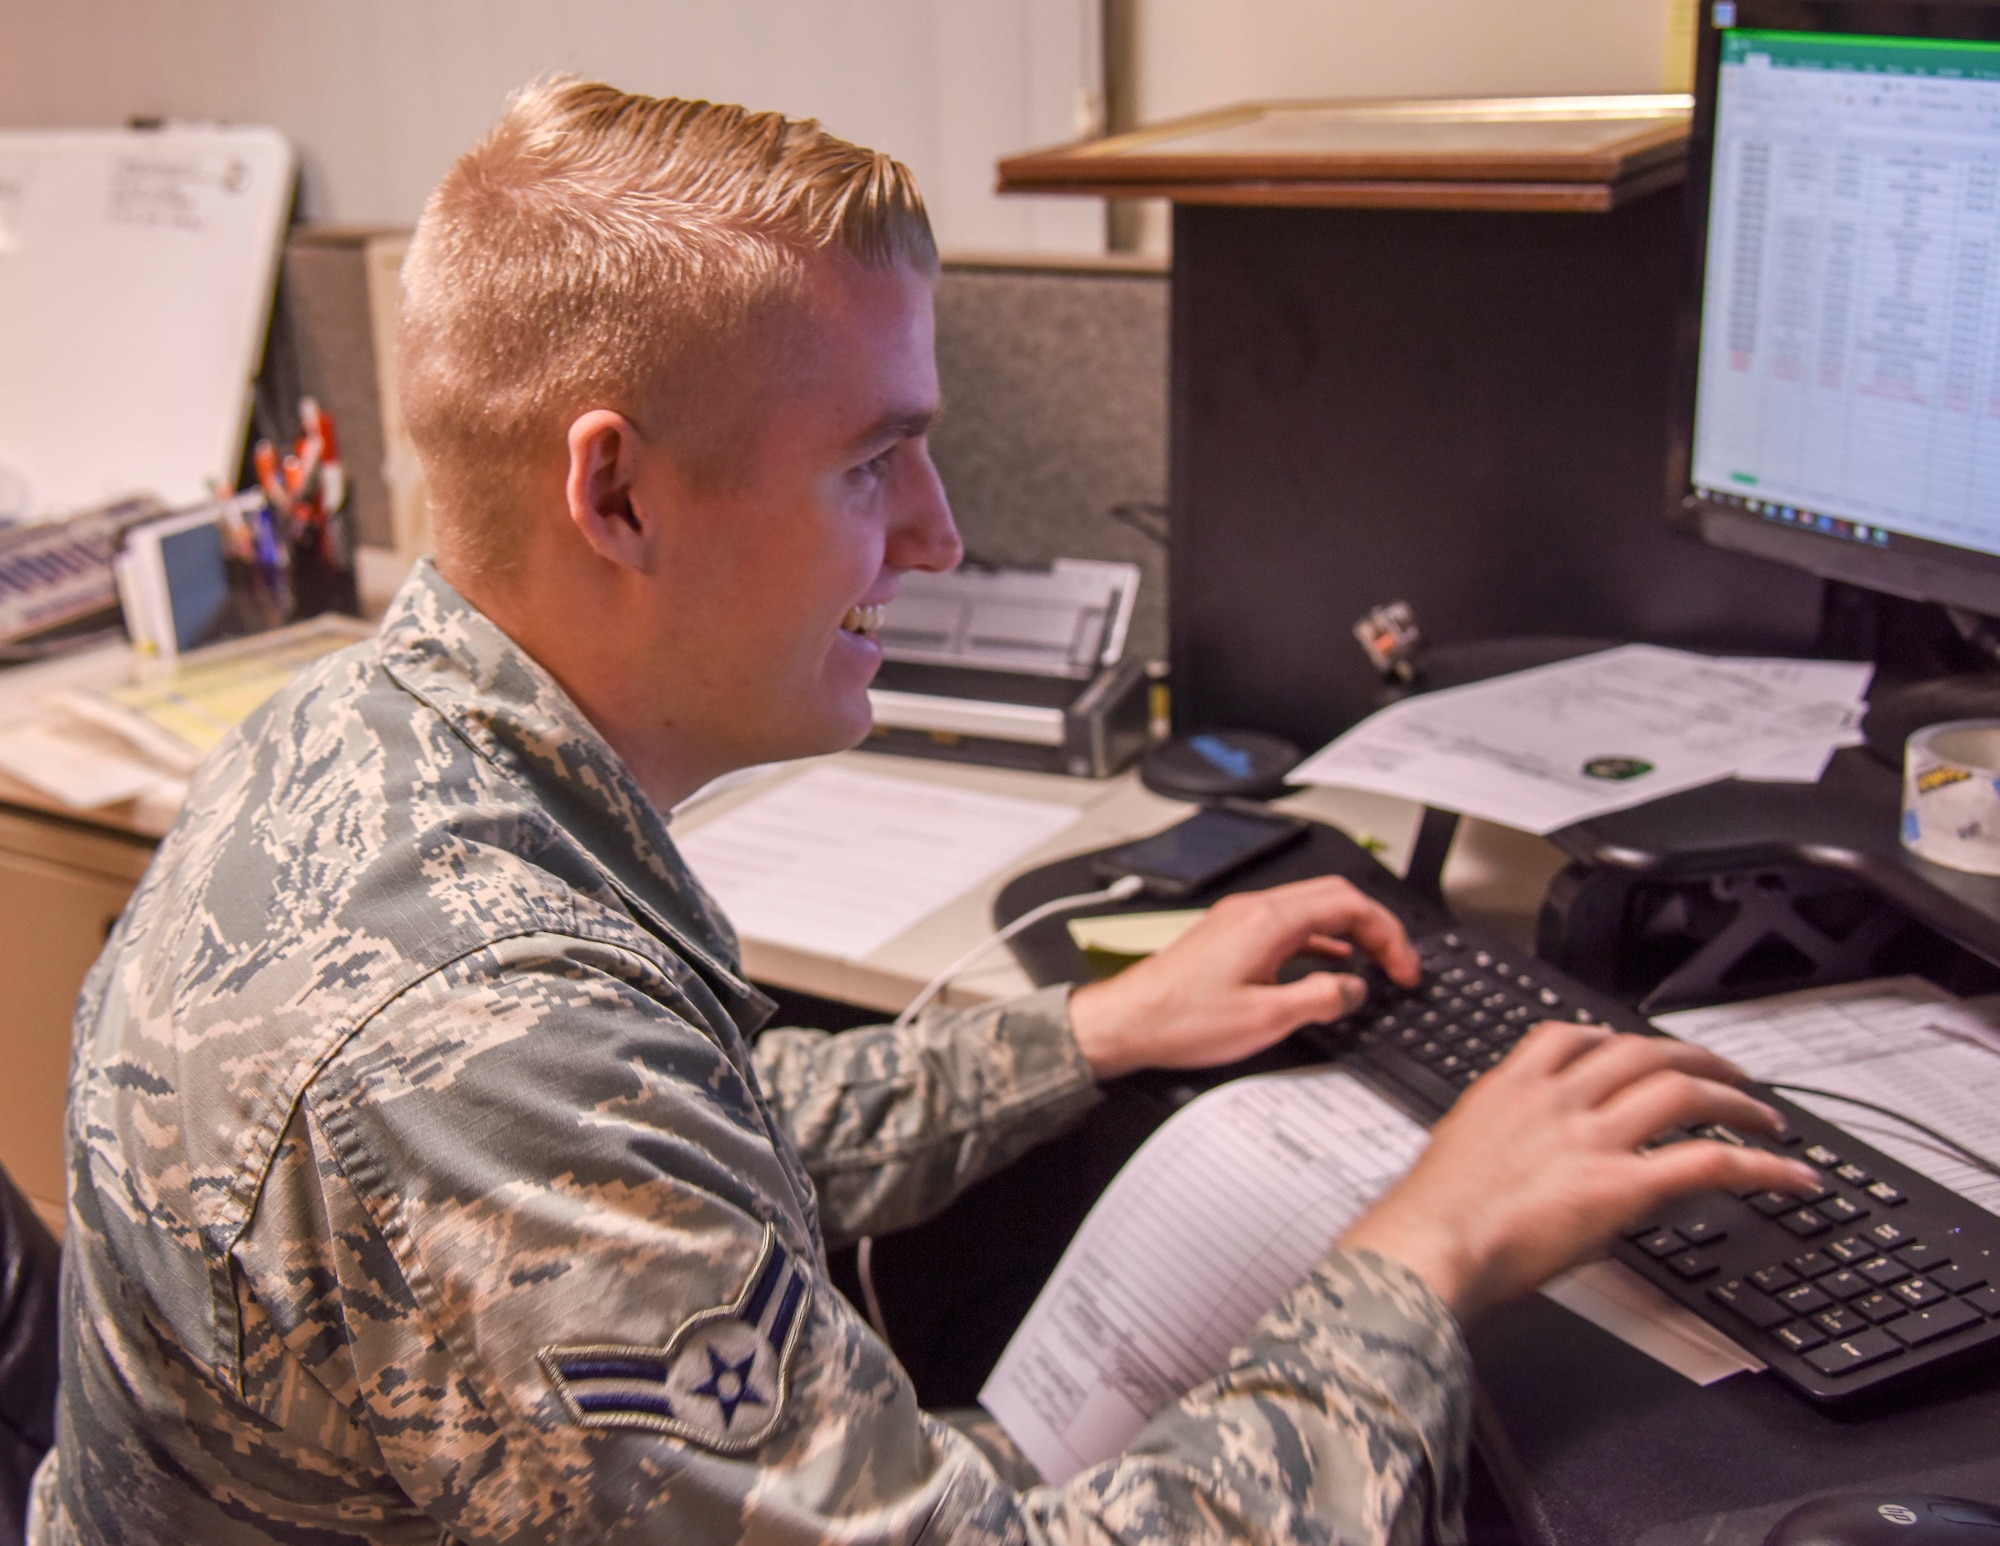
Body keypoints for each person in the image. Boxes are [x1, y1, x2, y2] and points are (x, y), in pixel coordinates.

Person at [31, 80, 1818, 1546]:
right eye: (871, 458)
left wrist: (1090, 1028)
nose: (940, 535)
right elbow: (565, 1128)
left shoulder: (367, 739)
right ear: (619, 491)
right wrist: (1426, 1256)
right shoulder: (472, 1038)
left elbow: (674, 1127)